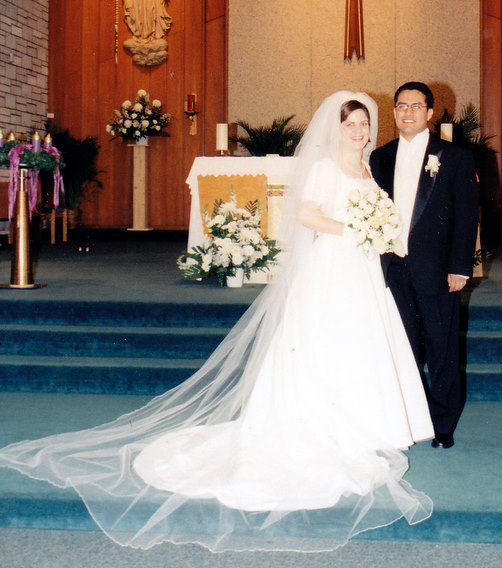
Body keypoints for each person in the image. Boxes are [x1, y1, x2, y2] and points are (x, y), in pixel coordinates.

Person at [0, 91, 433, 553]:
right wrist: (355, 229)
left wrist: (378, 232)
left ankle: (363, 424)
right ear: (336, 128)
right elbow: (307, 214)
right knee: (325, 342)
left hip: (361, 269)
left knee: (360, 343)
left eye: (364, 124)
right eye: (351, 124)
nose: (359, 131)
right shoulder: (325, 168)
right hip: (332, 267)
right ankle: (325, 426)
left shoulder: (368, 168)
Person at [370, 82, 479, 449]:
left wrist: (460, 268)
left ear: (430, 113)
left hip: (438, 269)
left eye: (416, 106)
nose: (408, 112)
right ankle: (411, 420)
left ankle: (443, 424)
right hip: (393, 268)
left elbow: (467, 216)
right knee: (403, 348)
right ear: (394, 111)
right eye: (402, 105)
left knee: (441, 347)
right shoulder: (380, 157)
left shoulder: (455, 157)